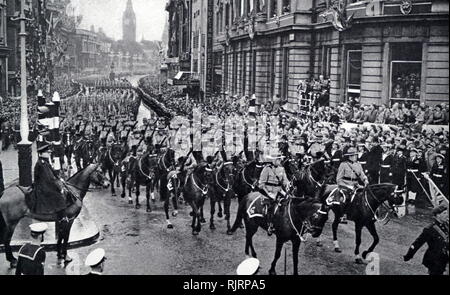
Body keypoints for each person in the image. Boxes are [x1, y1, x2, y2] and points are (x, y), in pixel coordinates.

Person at [404, 204, 448, 275]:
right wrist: (408, 255)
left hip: (444, 258)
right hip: (434, 260)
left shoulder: (446, 225)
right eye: (444, 213)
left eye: (447, 213)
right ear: (438, 215)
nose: (447, 215)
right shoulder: (430, 229)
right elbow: (418, 243)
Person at [258, 153, 290, 236]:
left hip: (279, 190)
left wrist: (287, 185)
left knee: (289, 201)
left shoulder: (282, 169)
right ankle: (270, 225)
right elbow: (261, 184)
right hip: (268, 191)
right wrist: (268, 193)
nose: (280, 161)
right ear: (274, 160)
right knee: (271, 207)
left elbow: (285, 180)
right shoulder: (267, 169)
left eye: (280, 159)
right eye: (278, 159)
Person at [33, 144, 69, 216]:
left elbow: (53, 172)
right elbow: (49, 178)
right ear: (42, 154)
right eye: (48, 152)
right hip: (43, 186)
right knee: (58, 195)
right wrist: (58, 186)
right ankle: (61, 216)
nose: (49, 154)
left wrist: (59, 178)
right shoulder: (42, 164)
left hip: (44, 183)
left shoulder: (44, 161)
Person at [336, 146, 369, 222]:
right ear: (349, 157)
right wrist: (344, 185)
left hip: (356, 184)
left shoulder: (358, 164)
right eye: (353, 155)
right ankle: (343, 215)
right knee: (346, 198)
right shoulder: (343, 164)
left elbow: (362, 174)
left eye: (356, 155)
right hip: (345, 184)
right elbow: (338, 179)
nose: (355, 157)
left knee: (365, 195)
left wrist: (365, 180)